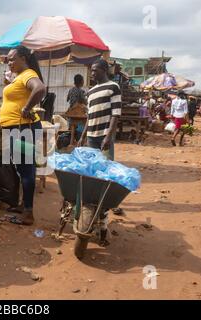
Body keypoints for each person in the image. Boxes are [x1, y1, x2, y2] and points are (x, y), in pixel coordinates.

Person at [0, 45, 46, 226]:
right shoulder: (18, 76)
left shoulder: (27, 74)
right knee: (22, 168)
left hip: (23, 129)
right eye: (8, 60)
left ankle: (28, 213)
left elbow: (40, 88)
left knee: (26, 170)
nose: (9, 62)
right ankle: (23, 205)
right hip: (18, 129)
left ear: (24, 59)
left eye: (13, 59)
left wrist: (27, 108)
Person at [78, 58, 122, 245]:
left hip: (104, 137)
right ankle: (87, 213)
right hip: (91, 138)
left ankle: (103, 224)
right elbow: (89, 116)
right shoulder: (90, 91)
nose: (92, 73)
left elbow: (115, 114)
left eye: (95, 70)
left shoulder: (113, 87)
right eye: (91, 70)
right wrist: (82, 136)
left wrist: (108, 136)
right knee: (90, 175)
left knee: (104, 178)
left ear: (104, 70)